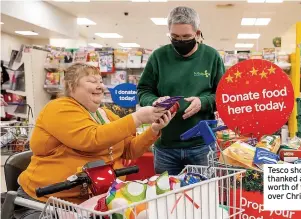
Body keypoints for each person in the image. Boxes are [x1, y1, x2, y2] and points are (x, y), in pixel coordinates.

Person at [15, 63, 174, 219]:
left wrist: (154, 129)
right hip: (46, 202)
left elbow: (129, 149)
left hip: (93, 203)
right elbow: (92, 138)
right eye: (92, 81)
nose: (100, 86)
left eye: (100, 81)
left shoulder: (104, 114)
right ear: (71, 86)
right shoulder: (58, 108)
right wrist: (137, 118)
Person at [137, 6, 225, 175]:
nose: (181, 41)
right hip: (165, 146)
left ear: (197, 33)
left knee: (204, 196)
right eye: (175, 37)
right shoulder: (158, 57)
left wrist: (203, 102)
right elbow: (143, 90)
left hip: (202, 146)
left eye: (186, 37)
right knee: (166, 198)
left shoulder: (212, 57)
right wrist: (153, 102)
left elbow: (223, 96)